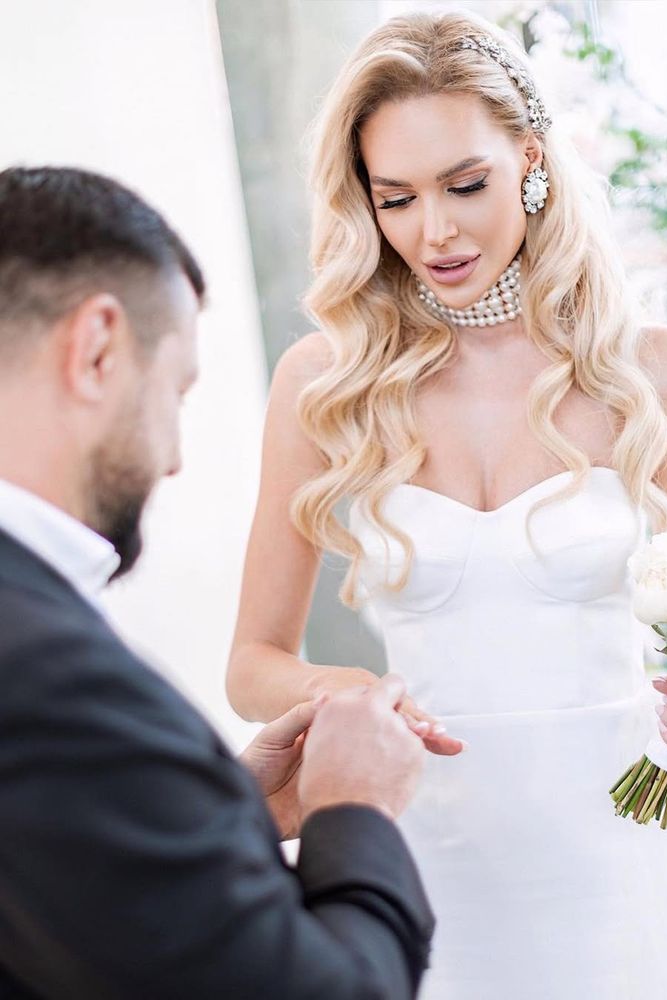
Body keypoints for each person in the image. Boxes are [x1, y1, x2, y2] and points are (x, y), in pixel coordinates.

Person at [226, 10, 667, 999]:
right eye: (395, 197)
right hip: (427, 848)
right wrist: (352, 700)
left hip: (641, 842)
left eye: (465, 184)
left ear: (530, 159)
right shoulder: (323, 383)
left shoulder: (653, 372)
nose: (433, 231)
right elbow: (251, 664)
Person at [0, 165, 435, 999]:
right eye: (177, 391)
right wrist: (356, 810)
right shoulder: (56, 681)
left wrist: (234, 813)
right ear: (95, 350)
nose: (173, 458)